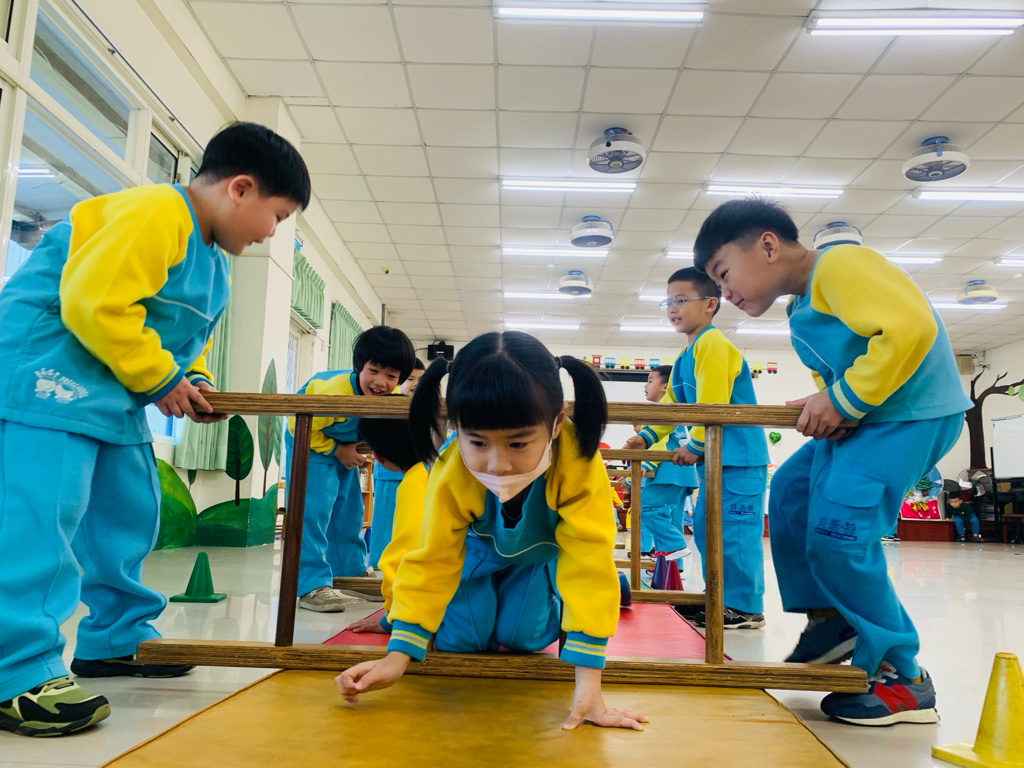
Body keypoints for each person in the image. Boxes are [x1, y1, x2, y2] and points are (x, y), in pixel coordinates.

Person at [0, 122, 310, 737]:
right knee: (40, 525)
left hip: (112, 396)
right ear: (240, 189)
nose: (271, 233)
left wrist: (191, 378)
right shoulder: (157, 213)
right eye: (277, 216)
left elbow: (179, 337)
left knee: (128, 514)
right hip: (46, 382)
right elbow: (95, 301)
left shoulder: (214, 264)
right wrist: (161, 378)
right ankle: (16, 671)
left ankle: (115, 638)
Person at [693, 197, 970, 726]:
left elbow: (909, 329)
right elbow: (842, 367)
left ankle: (904, 677)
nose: (725, 294)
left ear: (768, 246)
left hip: (911, 416)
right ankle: (831, 620)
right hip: (872, 417)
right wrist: (831, 403)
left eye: (724, 274)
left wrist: (842, 401)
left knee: (838, 532)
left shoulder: (840, 263)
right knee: (790, 494)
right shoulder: (800, 306)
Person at [336, 331, 648, 732]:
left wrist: (589, 689)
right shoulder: (451, 467)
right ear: (456, 425)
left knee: (524, 638)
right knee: (462, 641)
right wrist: (397, 656)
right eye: (478, 442)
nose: (497, 465)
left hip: (535, 561)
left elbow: (588, 561)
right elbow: (432, 557)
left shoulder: (579, 464)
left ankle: (577, 594)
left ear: (556, 423)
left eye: (518, 444)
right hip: (472, 560)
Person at [624, 267, 769, 631]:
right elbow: (673, 404)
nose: (673, 308)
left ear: (710, 304)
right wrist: (646, 437)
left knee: (735, 533)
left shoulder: (713, 345)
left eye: (680, 300)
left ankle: (745, 607)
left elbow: (712, 404)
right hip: (717, 461)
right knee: (708, 531)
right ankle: (717, 597)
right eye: (667, 302)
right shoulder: (687, 355)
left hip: (740, 459)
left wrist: (695, 444)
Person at [286, 326, 415, 611]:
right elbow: (296, 424)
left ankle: (350, 572)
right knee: (312, 511)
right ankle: (310, 584)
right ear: (359, 366)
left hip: (344, 447)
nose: (380, 382)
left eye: (391, 376)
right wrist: (337, 450)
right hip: (310, 442)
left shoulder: (388, 398)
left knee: (349, 510)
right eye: (374, 371)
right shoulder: (333, 390)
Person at [346, 416, 429, 634]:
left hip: (440, 603)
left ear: (378, 458)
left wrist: (390, 617)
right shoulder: (434, 470)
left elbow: (403, 554)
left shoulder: (413, 485)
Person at [634, 365, 697, 568]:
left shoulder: (659, 412)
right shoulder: (677, 411)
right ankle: (675, 567)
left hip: (667, 473)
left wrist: (646, 463)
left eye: (650, 380)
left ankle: (675, 546)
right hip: (683, 474)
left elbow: (659, 442)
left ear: (666, 387)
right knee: (673, 521)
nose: (645, 386)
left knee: (647, 508)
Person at [366, 358, 427, 569]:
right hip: (389, 471)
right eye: (410, 379)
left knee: (412, 521)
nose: (416, 384)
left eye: (421, 380)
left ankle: (406, 566)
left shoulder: (426, 406)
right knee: (385, 521)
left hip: (419, 470)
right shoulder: (387, 403)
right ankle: (379, 566)